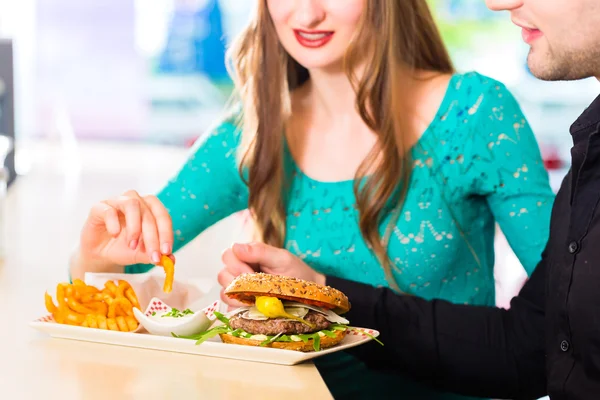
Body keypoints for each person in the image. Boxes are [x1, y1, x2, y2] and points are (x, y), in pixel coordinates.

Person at [69, 0, 554, 398]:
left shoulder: (475, 113)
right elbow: (125, 271)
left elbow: (571, 304)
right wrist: (98, 250)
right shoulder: (254, 132)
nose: (305, 14)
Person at [218, 0, 600, 398]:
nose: (498, 3)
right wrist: (319, 289)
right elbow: (530, 343)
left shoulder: (471, 110)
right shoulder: (591, 154)